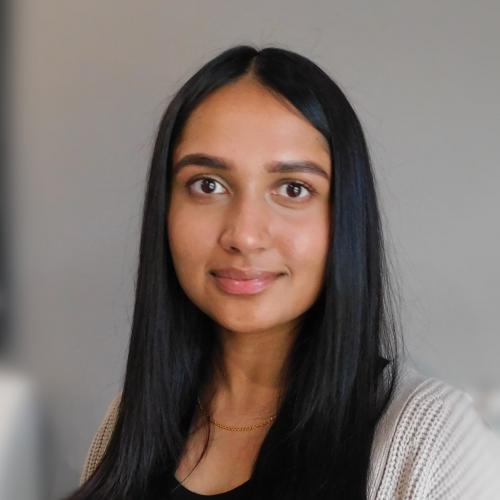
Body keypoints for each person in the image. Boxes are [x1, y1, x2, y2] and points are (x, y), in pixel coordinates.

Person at [65, 45, 500, 500]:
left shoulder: (431, 439)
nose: (244, 235)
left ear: (345, 216)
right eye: (208, 185)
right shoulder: (129, 420)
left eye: (293, 189)